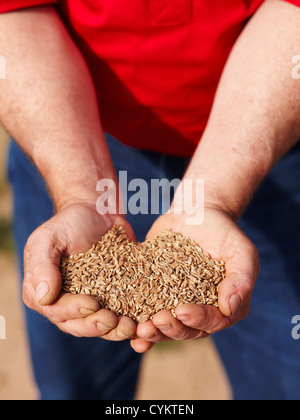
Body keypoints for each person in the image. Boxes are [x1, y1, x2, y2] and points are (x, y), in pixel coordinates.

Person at [0, 0, 299, 400]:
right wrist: (80, 195)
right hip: (68, 133)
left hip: (267, 130)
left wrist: (213, 197)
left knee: (285, 382)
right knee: (74, 385)